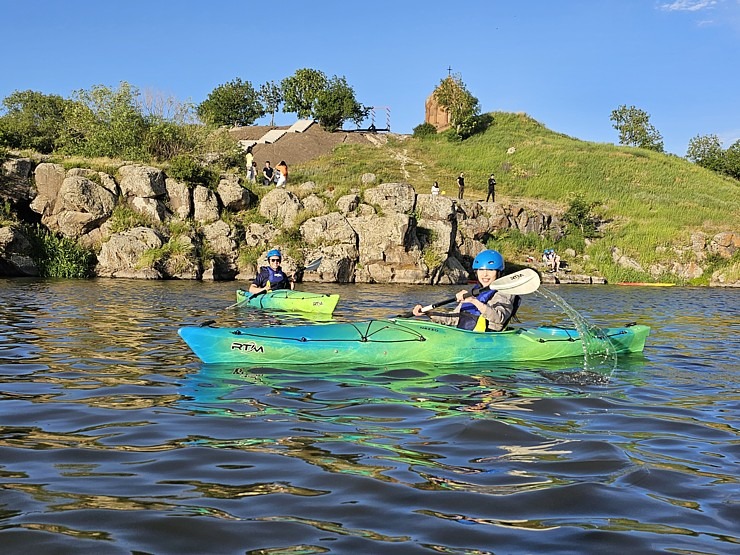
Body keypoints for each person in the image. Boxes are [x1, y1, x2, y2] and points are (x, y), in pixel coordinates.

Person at [411, 249, 519, 332]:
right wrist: (428, 313)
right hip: (466, 336)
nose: (485, 274)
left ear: (498, 272)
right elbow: (453, 318)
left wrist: (474, 301)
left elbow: (499, 318)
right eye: (481, 270)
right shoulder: (475, 291)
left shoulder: (505, 293)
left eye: (490, 270)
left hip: (488, 339)